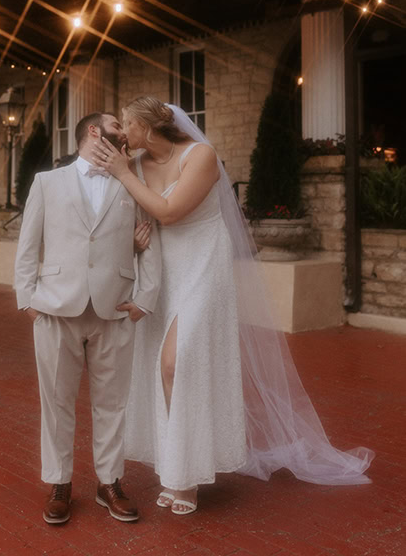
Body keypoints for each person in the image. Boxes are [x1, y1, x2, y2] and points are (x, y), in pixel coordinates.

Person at [92, 97, 374, 516]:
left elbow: (169, 212)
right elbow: (130, 215)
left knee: (178, 362)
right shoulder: (134, 165)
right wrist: (131, 239)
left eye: (127, 125)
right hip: (162, 271)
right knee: (158, 366)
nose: (122, 135)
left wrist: (120, 172)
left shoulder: (200, 156)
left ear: (147, 127)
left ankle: (187, 477)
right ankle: (177, 470)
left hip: (204, 265)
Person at [14, 111, 161, 525]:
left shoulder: (132, 185)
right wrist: (27, 298)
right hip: (55, 308)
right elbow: (29, 243)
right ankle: (60, 482)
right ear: (94, 132)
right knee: (56, 402)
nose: (125, 134)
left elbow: (149, 243)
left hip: (114, 309)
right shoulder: (48, 182)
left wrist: (145, 298)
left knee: (112, 404)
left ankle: (109, 482)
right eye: (118, 126)